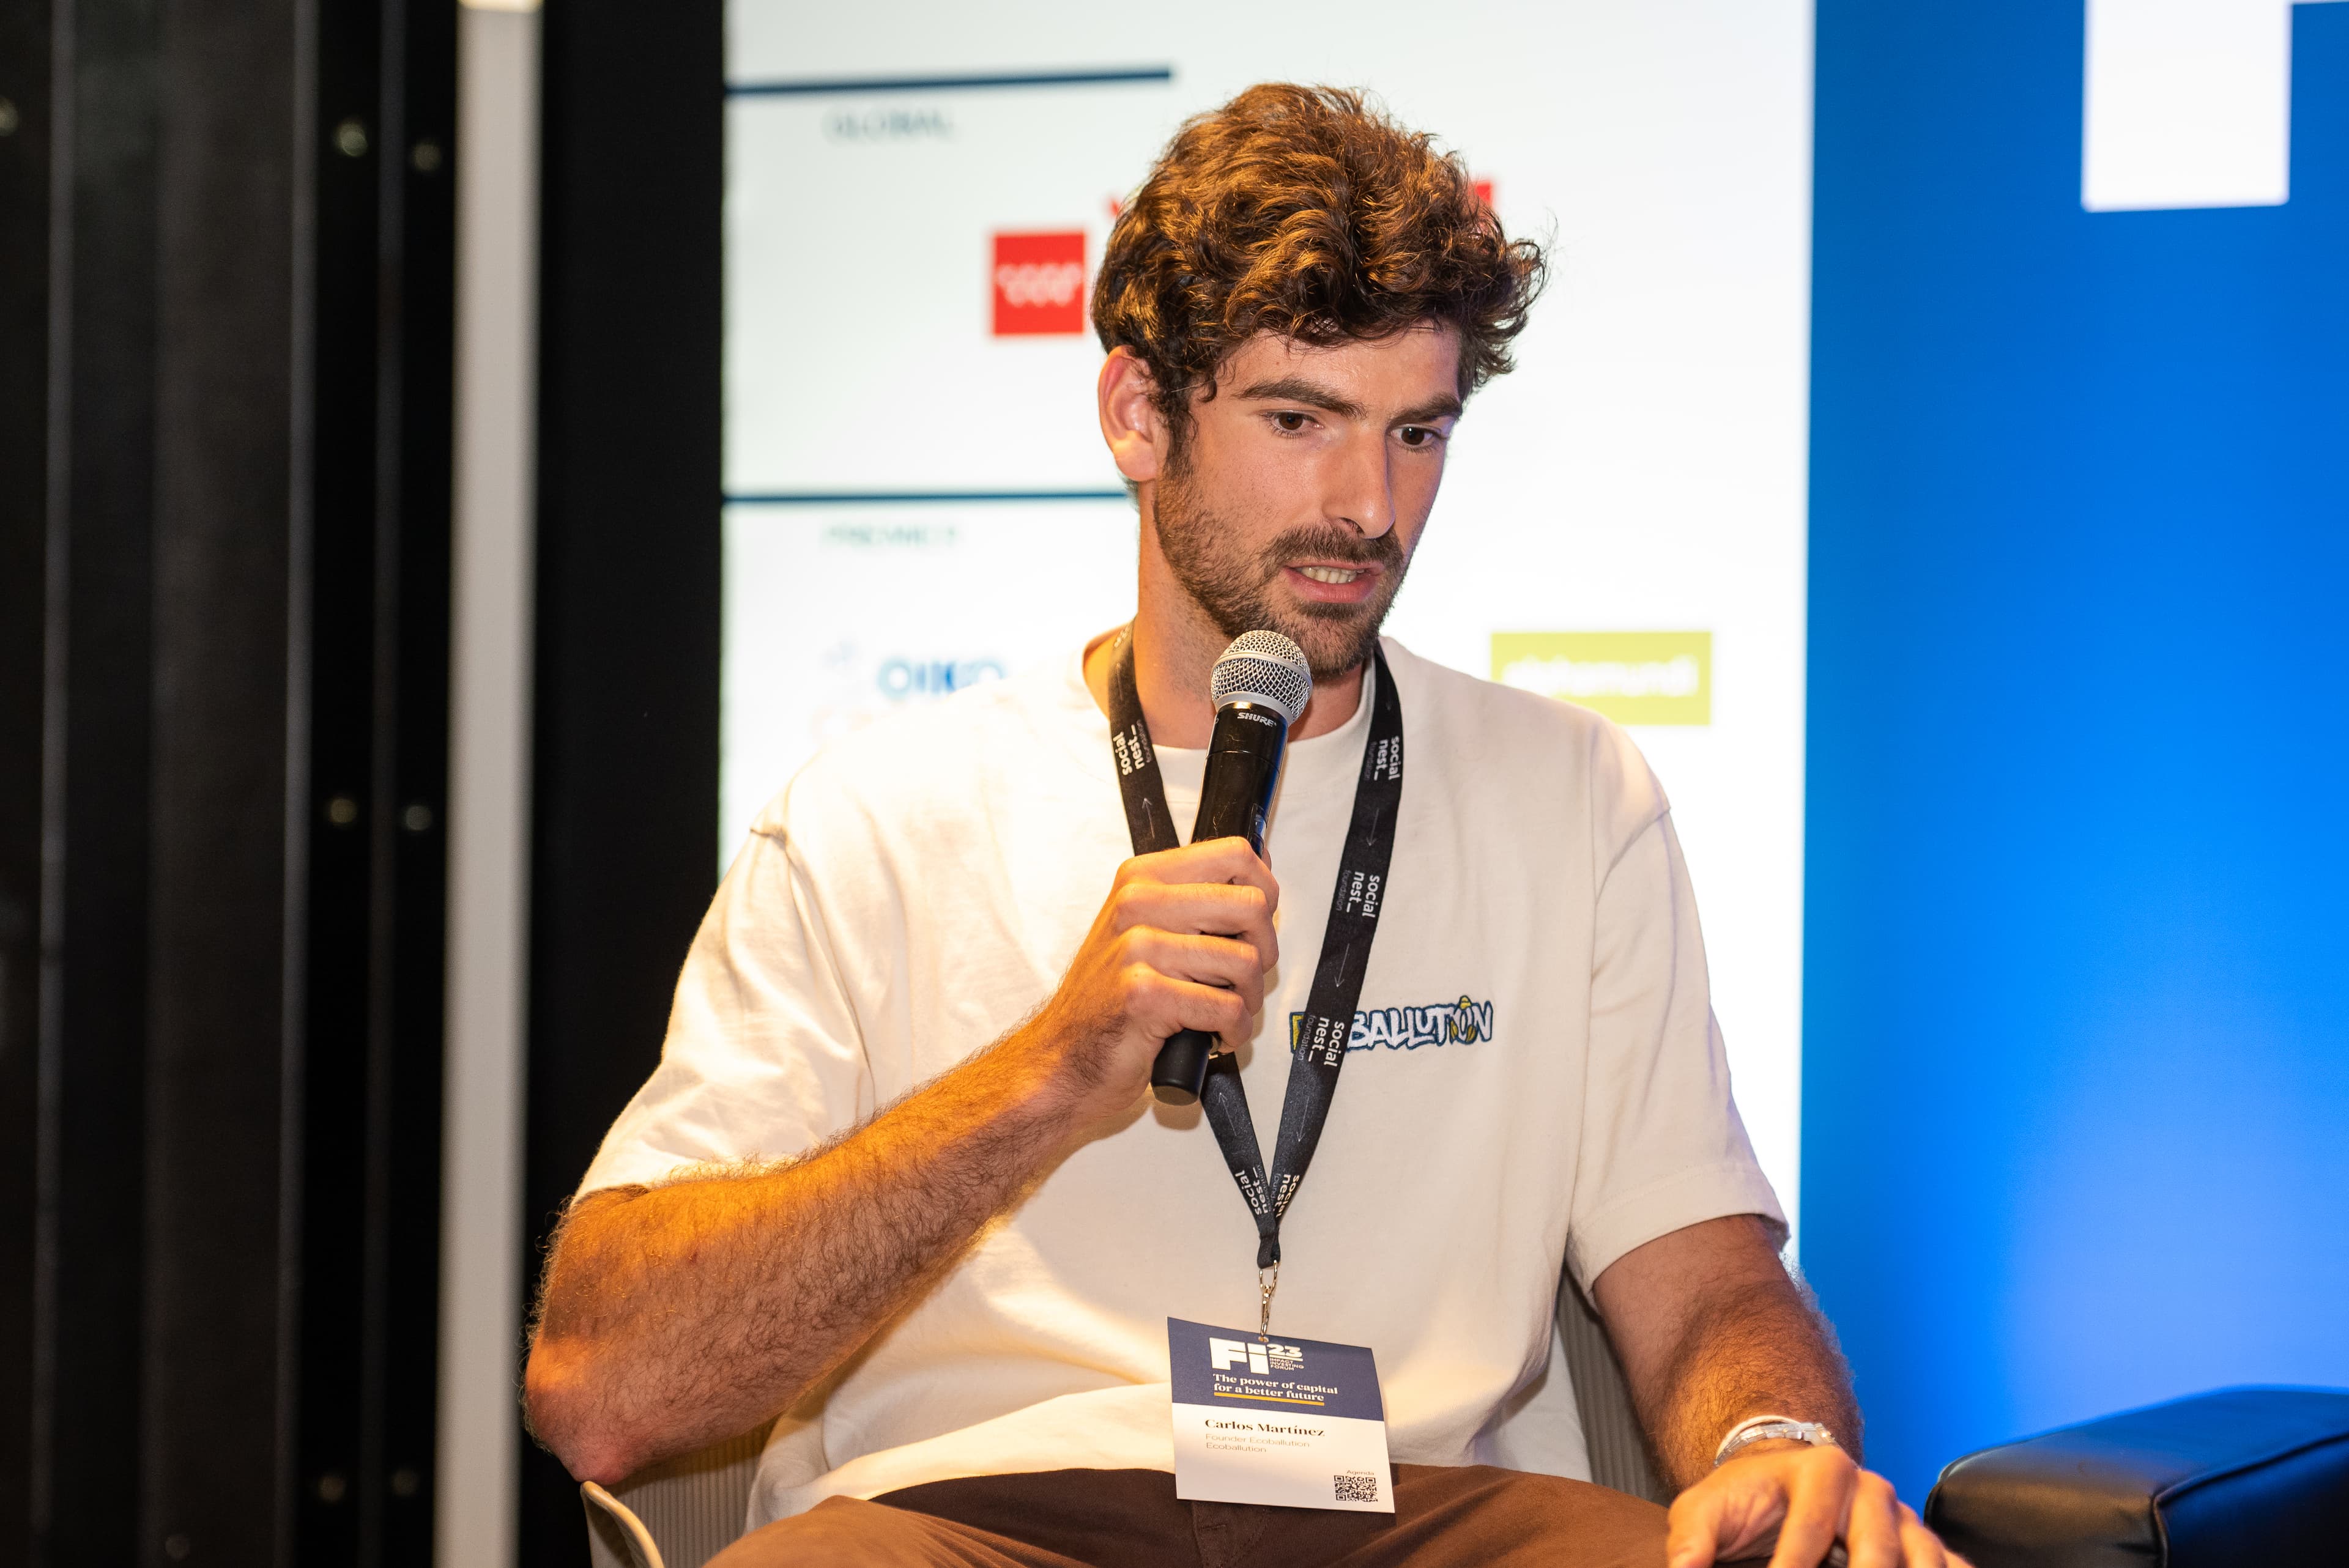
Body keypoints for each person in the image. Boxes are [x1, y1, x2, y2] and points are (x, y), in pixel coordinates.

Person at [524, 84, 1969, 1568]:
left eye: (1418, 431)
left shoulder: (1576, 796)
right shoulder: (876, 819)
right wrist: (1047, 1075)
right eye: (1302, 420)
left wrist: (1772, 1441)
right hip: (982, 1519)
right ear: (1140, 414)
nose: (1370, 506)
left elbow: (1706, 1274)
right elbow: (601, 1388)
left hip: (1429, 1514)